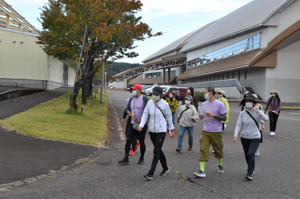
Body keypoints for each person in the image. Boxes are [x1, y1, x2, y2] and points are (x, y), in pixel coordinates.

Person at [138, 86, 174, 180]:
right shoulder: (150, 102)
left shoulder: (165, 104)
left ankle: (151, 173)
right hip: (152, 130)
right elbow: (145, 114)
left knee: (156, 151)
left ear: (161, 95)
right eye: (153, 94)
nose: (154, 96)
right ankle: (165, 168)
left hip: (161, 130)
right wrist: (141, 125)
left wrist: (171, 128)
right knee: (158, 150)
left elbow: (169, 117)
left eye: (156, 94)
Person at [194, 87, 227, 178]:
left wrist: (214, 115)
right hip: (206, 130)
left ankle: (220, 164)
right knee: (203, 149)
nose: (204, 94)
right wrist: (201, 116)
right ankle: (202, 170)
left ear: (211, 93)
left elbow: (224, 117)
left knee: (218, 150)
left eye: (206, 92)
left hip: (216, 131)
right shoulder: (204, 104)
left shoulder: (219, 104)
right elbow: (205, 117)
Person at [234, 94, 269, 180]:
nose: (248, 103)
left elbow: (266, 119)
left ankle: (250, 173)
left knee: (251, 153)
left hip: (255, 137)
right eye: (246, 101)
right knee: (247, 155)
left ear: (254, 103)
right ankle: (251, 168)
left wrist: (257, 110)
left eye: (250, 101)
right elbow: (238, 124)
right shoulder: (242, 113)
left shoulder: (257, 112)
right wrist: (235, 134)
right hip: (244, 137)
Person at [118, 84, 149, 165]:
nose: (133, 91)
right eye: (132, 90)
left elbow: (149, 110)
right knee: (128, 139)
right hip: (133, 123)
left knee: (141, 141)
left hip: (142, 124)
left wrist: (144, 117)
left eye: (134, 90)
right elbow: (127, 109)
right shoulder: (131, 99)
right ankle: (126, 158)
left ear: (139, 90)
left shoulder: (145, 98)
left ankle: (142, 157)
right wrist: (131, 115)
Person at [121, 89, 139, 156]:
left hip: (136, 119)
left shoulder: (140, 100)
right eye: (131, 91)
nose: (132, 93)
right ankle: (136, 143)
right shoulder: (128, 100)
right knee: (127, 134)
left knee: (133, 135)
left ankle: (133, 149)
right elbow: (126, 109)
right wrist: (123, 118)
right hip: (130, 118)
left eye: (133, 91)